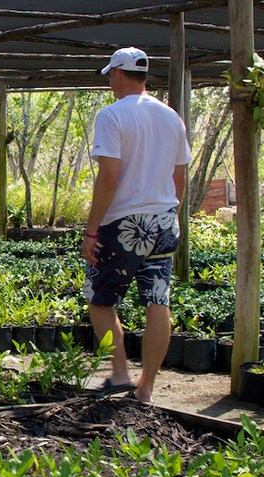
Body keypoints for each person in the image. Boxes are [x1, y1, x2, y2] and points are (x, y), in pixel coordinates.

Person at [84, 47, 191, 403]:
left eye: (110, 76)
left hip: (126, 223)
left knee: (100, 301)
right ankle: (146, 389)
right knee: (157, 301)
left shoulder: (112, 116)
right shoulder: (172, 117)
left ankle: (119, 373)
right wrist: (167, 211)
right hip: (164, 221)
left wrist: (92, 230)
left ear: (116, 74)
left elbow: (110, 178)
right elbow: (179, 177)